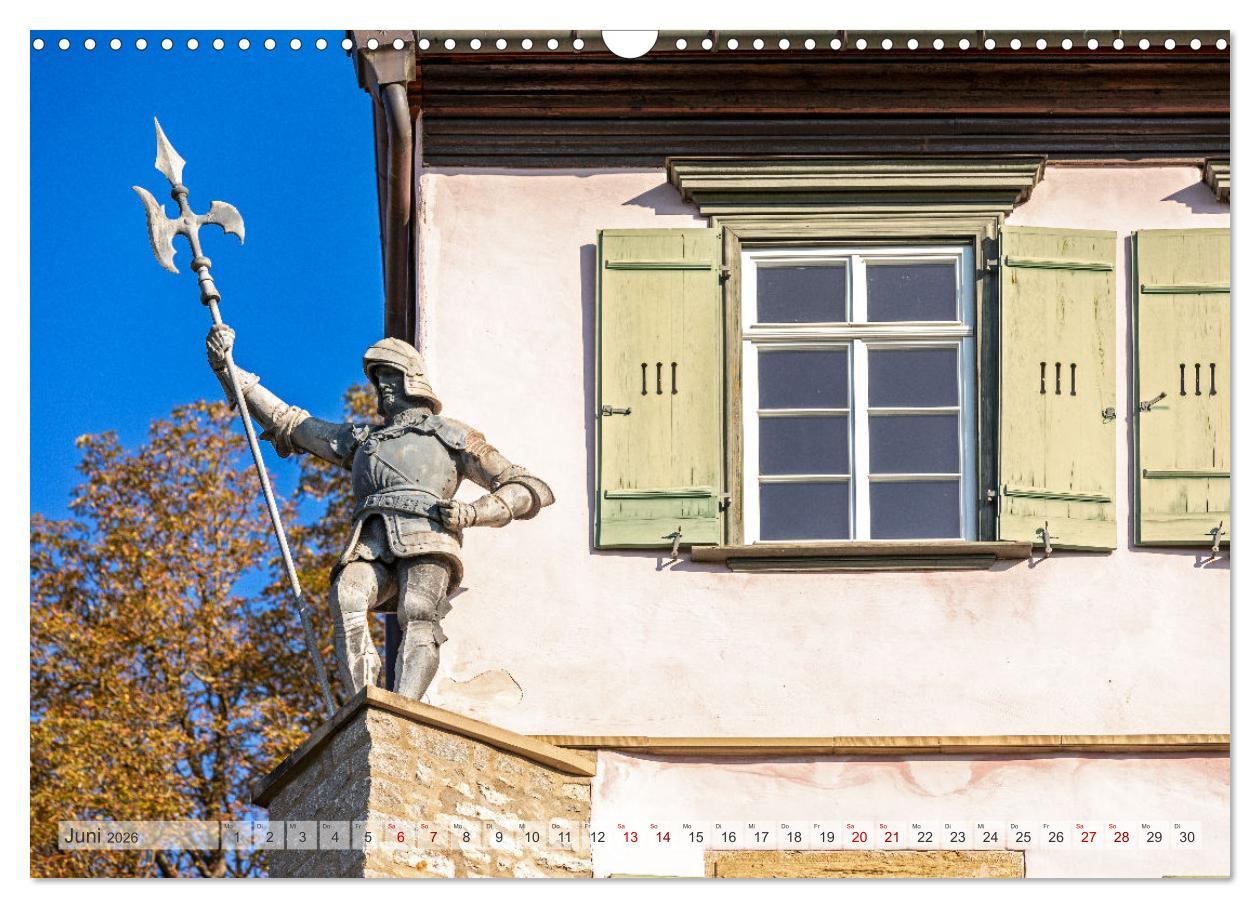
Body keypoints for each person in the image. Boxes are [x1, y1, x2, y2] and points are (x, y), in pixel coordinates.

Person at [206, 325, 554, 700]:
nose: (383, 386)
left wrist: (473, 512)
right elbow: (290, 422)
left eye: (390, 375)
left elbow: (526, 487)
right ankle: (364, 703)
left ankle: (405, 707)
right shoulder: (363, 440)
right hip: (371, 537)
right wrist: (228, 368)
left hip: (429, 533)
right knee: (347, 595)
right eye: (379, 379)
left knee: (419, 611)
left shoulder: (451, 434)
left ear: (412, 378)